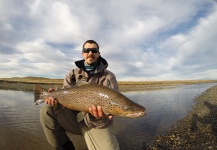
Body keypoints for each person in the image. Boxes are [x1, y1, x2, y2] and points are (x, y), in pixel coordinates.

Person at [40, 40, 120, 150]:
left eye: (94, 50)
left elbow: (117, 101)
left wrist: (108, 114)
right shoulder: (72, 74)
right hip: (74, 119)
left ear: (98, 54)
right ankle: (64, 146)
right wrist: (54, 98)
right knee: (47, 110)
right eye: (87, 50)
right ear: (82, 54)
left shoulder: (109, 76)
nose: (90, 53)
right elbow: (65, 97)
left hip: (98, 122)